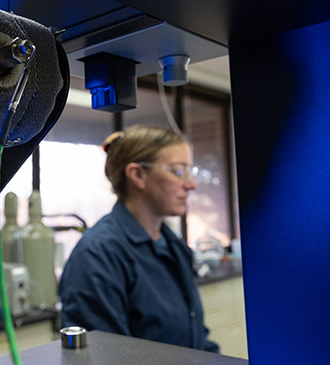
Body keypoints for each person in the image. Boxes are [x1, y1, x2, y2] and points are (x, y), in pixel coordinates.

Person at [59, 124, 219, 352]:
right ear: (138, 175)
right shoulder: (99, 255)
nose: (190, 185)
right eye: (178, 170)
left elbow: (196, 337)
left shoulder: (172, 244)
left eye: (189, 171)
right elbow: (105, 363)